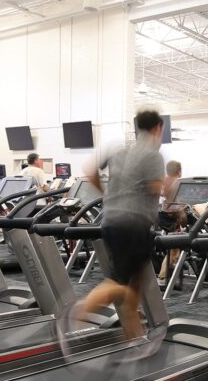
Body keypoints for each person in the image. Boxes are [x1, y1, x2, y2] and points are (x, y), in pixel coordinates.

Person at [58, 109, 167, 357]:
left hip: (112, 220)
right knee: (120, 283)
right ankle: (77, 313)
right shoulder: (152, 154)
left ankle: (135, 337)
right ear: (158, 128)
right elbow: (156, 187)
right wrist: (171, 191)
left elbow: (90, 170)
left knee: (135, 284)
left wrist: (109, 196)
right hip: (134, 223)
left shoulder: (121, 151)